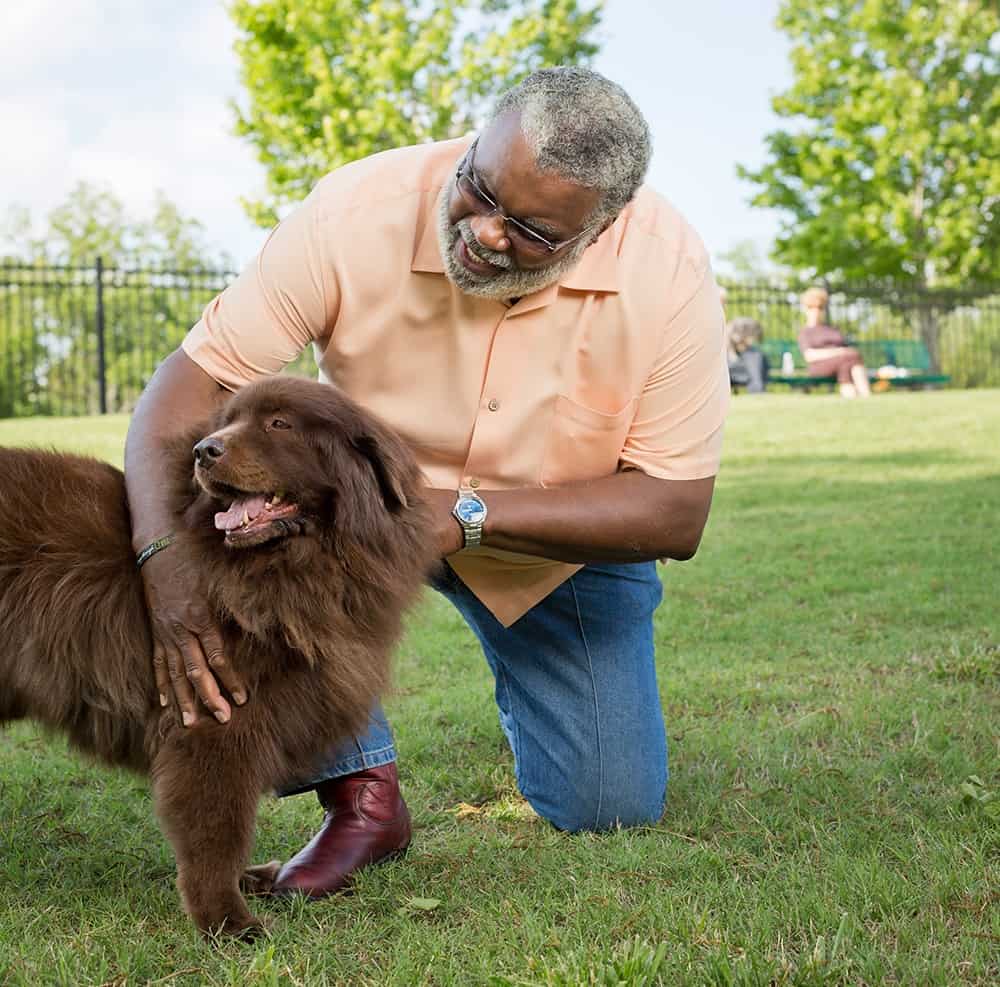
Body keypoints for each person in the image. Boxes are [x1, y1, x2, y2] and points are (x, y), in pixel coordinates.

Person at [124, 67, 730, 899]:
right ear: (476, 142)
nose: (483, 231)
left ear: (602, 227)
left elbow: (674, 510)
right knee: (242, 569)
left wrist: (466, 515)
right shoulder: (354, 211)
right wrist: (164, 565)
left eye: (530, 231)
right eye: (477, 188)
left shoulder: (670, 272)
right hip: (344, 526)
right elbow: (178, 397)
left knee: (608, 803)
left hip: (544, 543)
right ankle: (362, 794)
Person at [798, 286, 871, 398]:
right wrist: (838, 352)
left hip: (844, 362)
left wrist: (844, 352)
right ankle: (864, 394)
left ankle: (854, 395)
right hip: (820, 365)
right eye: (812, 307)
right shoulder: (805, 332)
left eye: (820, 307)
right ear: (806, 309)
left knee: (848, 361)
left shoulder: (832, 329)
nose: (816, 311)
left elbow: (846, 347)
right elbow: (810, 356)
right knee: (850, 358)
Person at [726, 316, 769, 393]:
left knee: (754, 356)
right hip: (733, 369)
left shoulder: (741, 327)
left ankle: (757, 388)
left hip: (739, 369)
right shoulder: (730, 332)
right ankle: (757, 389)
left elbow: (747, 343)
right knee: (753, 356)